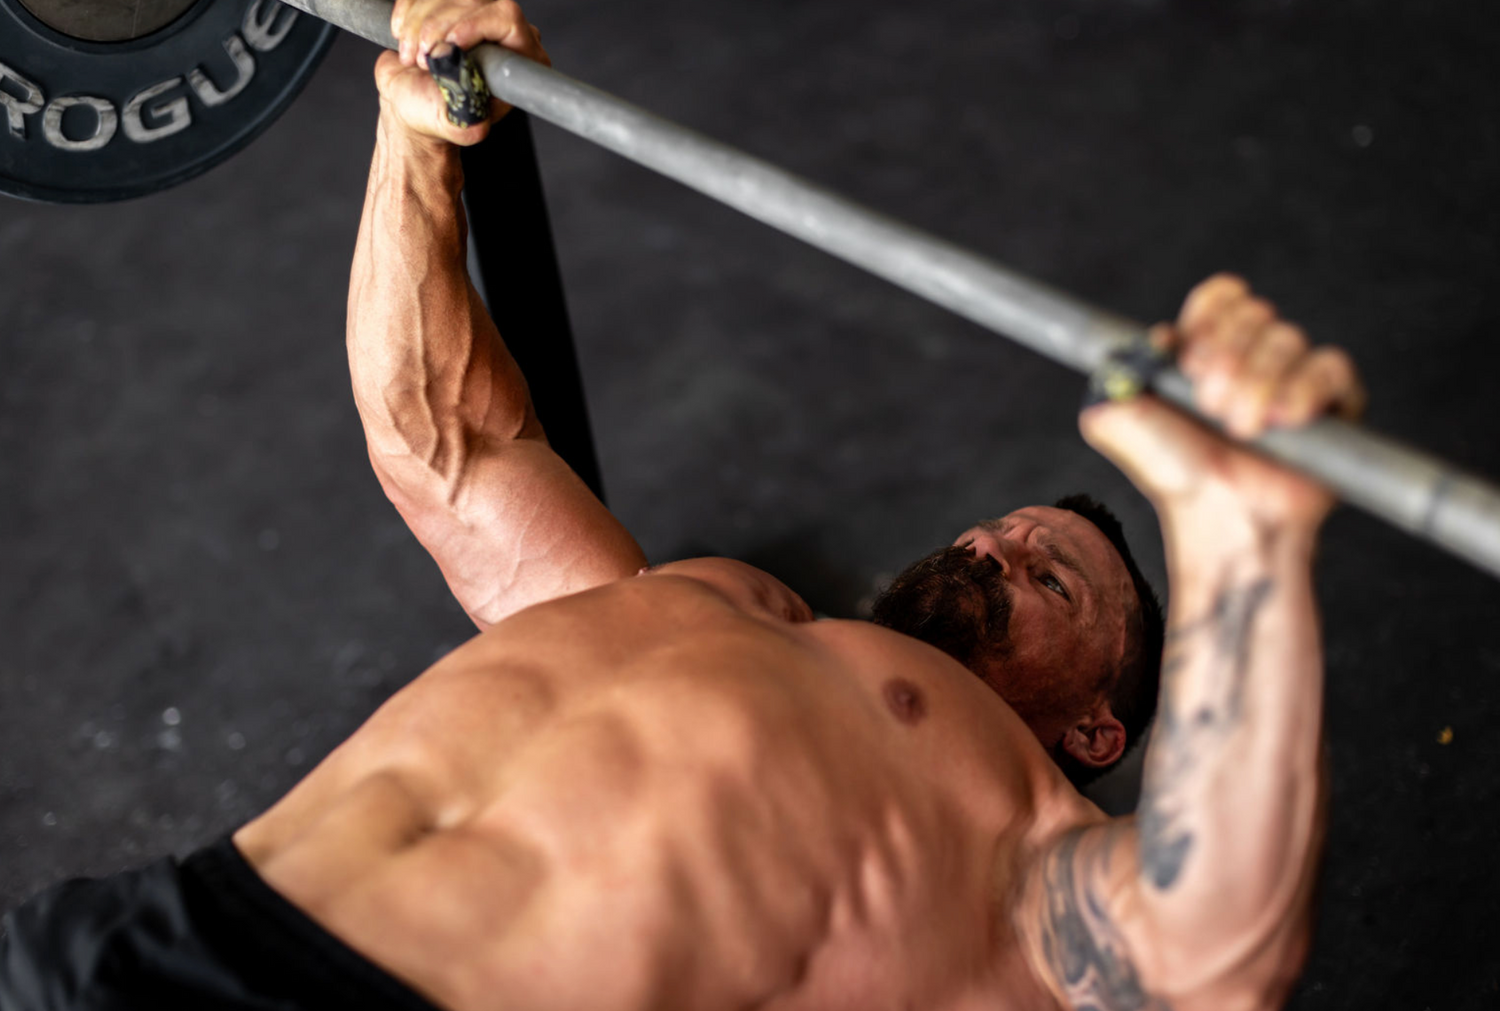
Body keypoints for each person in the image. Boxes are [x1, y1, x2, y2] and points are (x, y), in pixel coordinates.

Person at [0, 2, 1367, 1009]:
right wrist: (413, 137)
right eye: (995, 534)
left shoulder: (1014, 872)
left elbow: (1210, 953)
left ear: (1099, 723)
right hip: (147, 930)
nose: (994, 543)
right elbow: (447, 446)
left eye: (1052, 578)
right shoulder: (718, 605)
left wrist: (1246, 533)